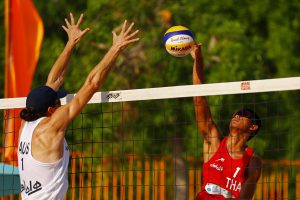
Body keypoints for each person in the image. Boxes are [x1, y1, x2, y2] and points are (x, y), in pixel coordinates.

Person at [17, 12, 139, 200]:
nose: (61, 104)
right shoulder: (51, 127)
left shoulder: (25, 126)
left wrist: (71, 42)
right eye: (58, 102)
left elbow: (54, 80)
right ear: (50, 110)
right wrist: (116, 48)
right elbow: (91, 84)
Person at [191, 44, 262, 200]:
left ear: (253, 126)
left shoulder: (253, 161)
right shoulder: (214, 141)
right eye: (235, 114)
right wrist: (198, 62)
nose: (236, 116)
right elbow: (198, 98)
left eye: (243, 114)